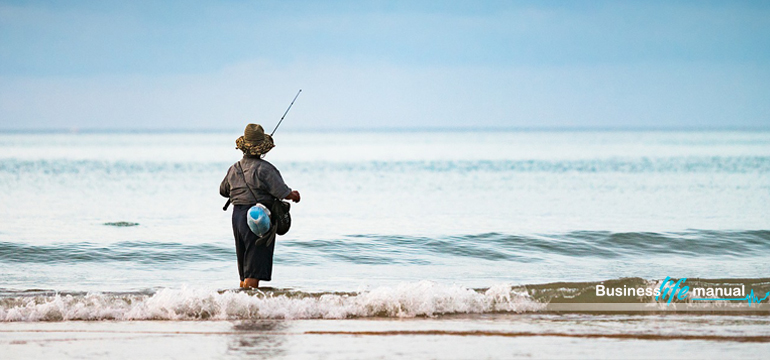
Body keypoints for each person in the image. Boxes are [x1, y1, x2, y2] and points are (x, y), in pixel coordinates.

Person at [220, 124, 300, 289]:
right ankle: (251, 311)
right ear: (262, 148)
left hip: (238, 217)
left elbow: (223, 191)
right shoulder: (265, 169)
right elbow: (283, 193)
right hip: (258, 217)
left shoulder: (234, 168)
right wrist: (294, 195)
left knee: (244, 269)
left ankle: (241, 307)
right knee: (254, 270)